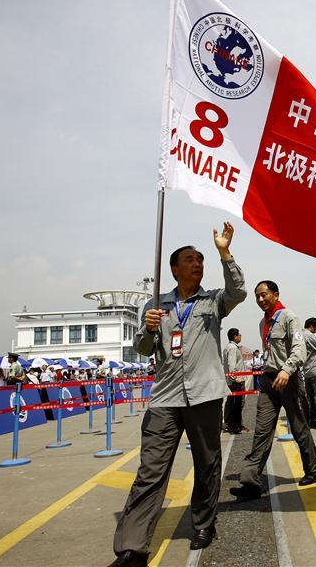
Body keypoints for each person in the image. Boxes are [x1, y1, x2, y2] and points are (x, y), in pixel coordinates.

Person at [112, 223, 247, 566]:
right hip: (165, 399)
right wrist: (149, 328)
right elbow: (144, 349)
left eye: (201, 259)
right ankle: (133, 546)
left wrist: (224, 252)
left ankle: (203, 524)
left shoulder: (214, 301)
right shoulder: (155, 304)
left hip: (204, 396)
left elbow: (239, 291)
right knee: (150, 472)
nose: (197, 264)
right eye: (190, 259)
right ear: (174, 268)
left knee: (207, 464)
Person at [231, 281, 316, 500]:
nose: (260, 300)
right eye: (257, 297)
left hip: (288, 379)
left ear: (275, 294)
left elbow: (300, 350)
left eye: (264, 295)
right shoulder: (263, 321)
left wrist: (287, 370)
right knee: (262, 430)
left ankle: (313, 469)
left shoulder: (289, 316)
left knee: (300, 428)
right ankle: (251, 481)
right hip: (269, 380)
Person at [222, 328, 246, 434]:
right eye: (239, 334)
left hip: (232, 381)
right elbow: (232, 366)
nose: (240, 336)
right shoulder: (232, 348)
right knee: (237, 403)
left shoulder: (229, 347)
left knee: (231, 403)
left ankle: (233, 424)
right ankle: (234, 425)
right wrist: (236, 378)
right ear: (235, 336)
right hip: (236, 381)